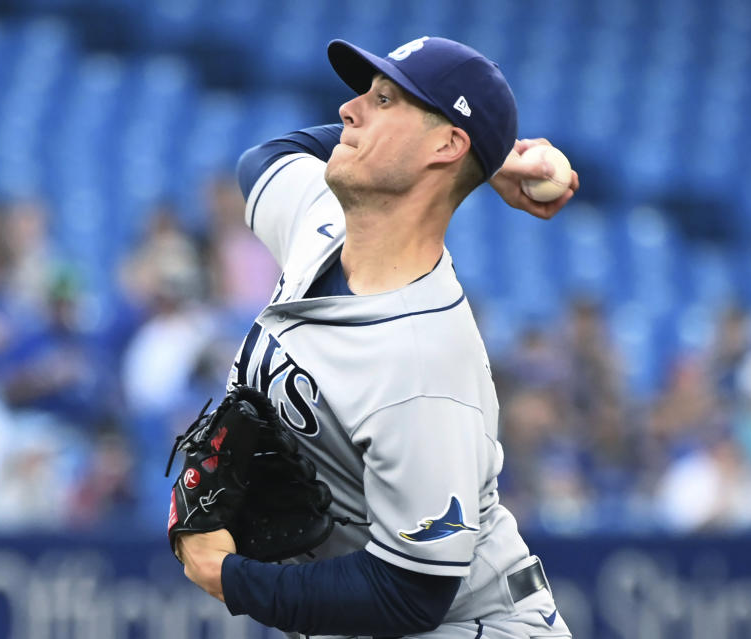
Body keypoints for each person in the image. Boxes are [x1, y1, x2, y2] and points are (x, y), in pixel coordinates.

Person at [175, 36, 579, 638]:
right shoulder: (325, 219)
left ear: (445, 144)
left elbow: (410, 595)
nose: (349, 110)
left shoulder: (425, 368)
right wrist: (486, 161)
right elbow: (267, 156)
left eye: (384, 99)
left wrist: (227, 578)